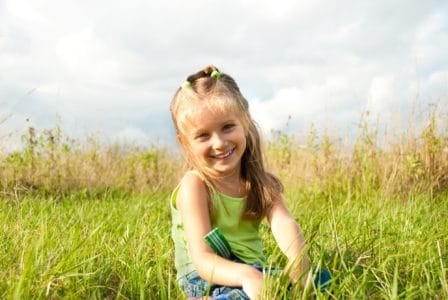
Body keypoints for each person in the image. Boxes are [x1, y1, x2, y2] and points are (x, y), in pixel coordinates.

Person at [169, 65, 313, 299]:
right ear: (185, 143)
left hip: (253, 272)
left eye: (227, 127)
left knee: (321, 281)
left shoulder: (260, 183)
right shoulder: (194, 185)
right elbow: (203, 259)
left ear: (245, 122)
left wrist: (300, 266)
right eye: (203, 135)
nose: (219, 143)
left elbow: (285, 224)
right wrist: (248, 276)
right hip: (206, 277)